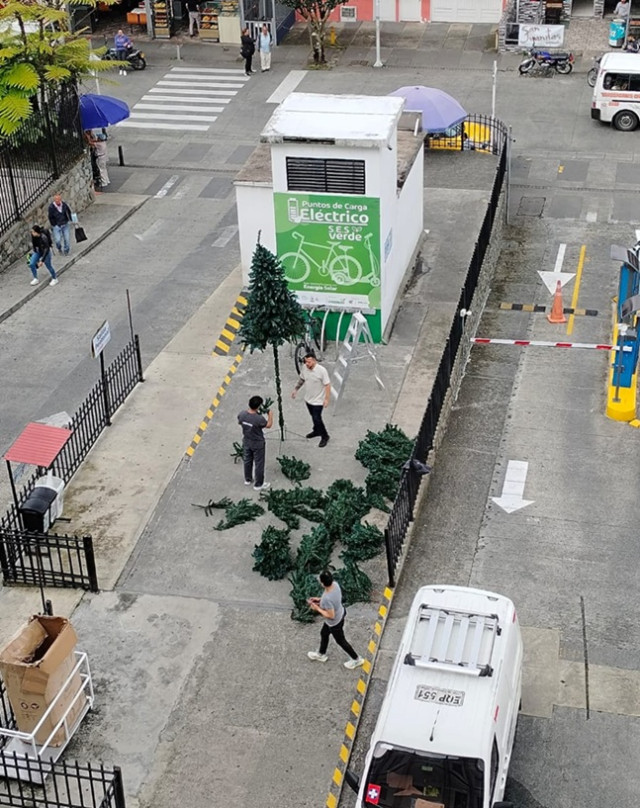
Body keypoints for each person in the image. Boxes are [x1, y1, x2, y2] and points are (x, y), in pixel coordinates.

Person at [307, 570, 364, 669]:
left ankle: (356, 659)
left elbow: (330, 615)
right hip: (341, 613)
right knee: (324, 633)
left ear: (323, 583)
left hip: (334, 623)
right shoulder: (335, 585)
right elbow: (333, 599)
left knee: (341, 641)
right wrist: (319, 600)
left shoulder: (327, 599)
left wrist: (317, 608)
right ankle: (321, 653)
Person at [291, 353, 331, 447]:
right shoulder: (305, 368)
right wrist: (296, 389)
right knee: (313, 416)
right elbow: (302, 379)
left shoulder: (321, 371)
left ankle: (325, 436)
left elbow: (327, 385)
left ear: (314, 360)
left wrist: (326, 399)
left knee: (317, 418)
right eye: (306, 362)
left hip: (318, 400)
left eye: (309, 362)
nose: (307, 364)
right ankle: (316, 430)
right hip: (308, 399)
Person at [237, 395, 273, 491]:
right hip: (258, 443)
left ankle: (248, 479)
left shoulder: (242, 414)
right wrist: (270, 414)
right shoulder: (259, 418)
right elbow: (268, 425)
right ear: (259, 406)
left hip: (247, 441)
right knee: (259, 463)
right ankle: (258, 484)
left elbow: (240, 422)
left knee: (247, 460)